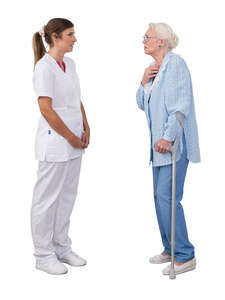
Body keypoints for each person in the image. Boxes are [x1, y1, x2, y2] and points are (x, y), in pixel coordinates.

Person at [136, 23, 200, 276]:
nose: (143, 41)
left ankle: (185, 255)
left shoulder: (175, 65)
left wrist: (167, 137)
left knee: (168, 198)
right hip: (159, 149)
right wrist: (143, 83)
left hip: (174, 145)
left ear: (161, 41)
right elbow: (142, 104)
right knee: (159, 198)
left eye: (147, 37)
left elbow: (180, 106)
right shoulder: (156, 70)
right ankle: (170, 248)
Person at [31, 18, 90, 275]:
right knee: (47, 200)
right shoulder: (44, 68)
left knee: (67, 197)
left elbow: (76, 100)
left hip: (75, 141)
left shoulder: (70, 64)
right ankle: (43, 255)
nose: (75, 38)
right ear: (55, 37)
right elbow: (46, 109)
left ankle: (61, 246)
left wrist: (86, 127)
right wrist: (71, 137)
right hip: (56, 142)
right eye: (70, 34)